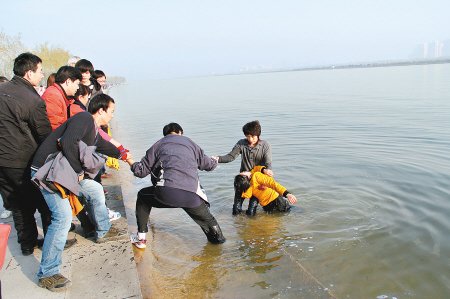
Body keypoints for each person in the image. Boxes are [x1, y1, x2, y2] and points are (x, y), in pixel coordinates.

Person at [31, 94, 128, 291]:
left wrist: (123, 155)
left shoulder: (92, 128)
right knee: (63, 218)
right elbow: (68, 142)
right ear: (101, 110)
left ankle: (102, 231)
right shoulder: (83, 118)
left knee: (95, 189)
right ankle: (47, 272)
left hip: (65, 172)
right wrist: (79, 173)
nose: (112, 116)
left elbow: (102, 145)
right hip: (48, 173)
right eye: (111, 111)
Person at [126, 123, 225, 249]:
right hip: (191, 196)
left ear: (165, 135)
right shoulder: (190, 144)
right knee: (209, 221)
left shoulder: (158, 144)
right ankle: (221, 248)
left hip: (167, 193)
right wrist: (215, 160)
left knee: (143, 196)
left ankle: (141, 239)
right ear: (180, 132)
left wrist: (130, 161)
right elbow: (208, 165)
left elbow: (141, 172)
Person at [0, 53, 52, 256]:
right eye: (40, 71)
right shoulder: (32, 99)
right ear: (29, 73)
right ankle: (50, 243)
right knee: (46, 204)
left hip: (2, 162)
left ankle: (27, 244)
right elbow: (44, 135)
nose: (41, 75)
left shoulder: (2, 90)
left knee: (18, 205)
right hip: (23, 161)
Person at [212, 120, 273, 215]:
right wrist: (218, 159)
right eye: (248, 136)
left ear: (258, 135)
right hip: (243, 181)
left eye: (252, 136)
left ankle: (252, 228)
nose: (250, 139)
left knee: (251, 210)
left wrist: (266, 182)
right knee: (236, 208)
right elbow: (231, 157)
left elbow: (268, 165)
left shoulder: (265, 145)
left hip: (258, 182)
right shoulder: (241, 143)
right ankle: (237, 227)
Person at [41, 66, 81, 130]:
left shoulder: (59, 95)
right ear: (68, 81)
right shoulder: (53, 96)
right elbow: (54, 128)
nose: (78, 87)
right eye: (77, 84)